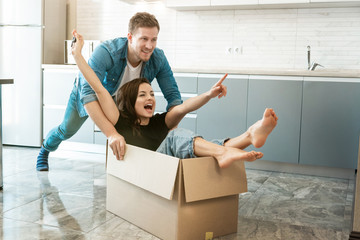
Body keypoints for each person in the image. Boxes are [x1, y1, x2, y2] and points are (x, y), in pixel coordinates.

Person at [71, 31, 279, 168]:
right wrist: (78, 55)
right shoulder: (120, 122)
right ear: (129, 102)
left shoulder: (159, 122)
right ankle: (224, 153)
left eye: (151, 94)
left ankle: (249, 136)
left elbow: (183, 108)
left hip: (168, 169)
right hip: (148, 171)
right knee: (175, 137)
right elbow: (98, 88)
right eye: (142, 95)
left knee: (202, 144)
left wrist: (209, 94)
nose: (150, 97)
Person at [36, 12, 183, 171]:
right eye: (144, 39)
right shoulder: (107, 52)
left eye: (154, 39)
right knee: (67, 129)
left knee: (134, 131)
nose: (150, 46)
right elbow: (89, 93)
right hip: (90, 93)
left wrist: (172, 127)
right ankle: (45, 149)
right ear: (130, 37)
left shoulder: (158, 58)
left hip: (121, 101)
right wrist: (111, 133)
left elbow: (173, 97)